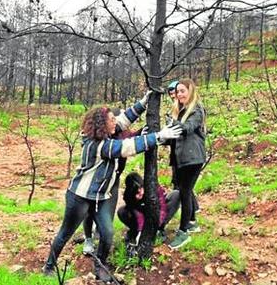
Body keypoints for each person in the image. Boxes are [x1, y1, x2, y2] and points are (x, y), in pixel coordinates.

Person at [43, 92, 182, 282]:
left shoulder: (107, 134)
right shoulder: (99, 145)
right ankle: (49, 266)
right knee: (65, 233)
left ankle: (99, 266)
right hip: (80, 196)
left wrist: (143, 102)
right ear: (102, 125)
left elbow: (124, 120)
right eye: (111, 119)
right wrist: (158, 136)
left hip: (101, 197)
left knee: (107, 234)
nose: (115, 121)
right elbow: (126, 147)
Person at [82, 117, 143, 256]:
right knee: (90, 211)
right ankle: (88, 239)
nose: (115, 124)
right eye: (112, 121)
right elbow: (124, 146)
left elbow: (133, 138)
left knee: (108, 210)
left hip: (113, 181)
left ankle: (102, 237)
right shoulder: (100, 138)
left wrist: (144, 131)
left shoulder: (122, 134)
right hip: (96, 182)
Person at [168, 79, 206, 250]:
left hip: (193, 158)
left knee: (184, 192)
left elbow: (187, 128)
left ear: (190, 91)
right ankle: (191, 223)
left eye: (183, 91)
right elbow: (176, 136)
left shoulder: (196, 109)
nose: (179, 94)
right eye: (178, 92)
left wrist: (172, 124)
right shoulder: (181, 110)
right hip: (181, 159)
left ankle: (183, 232)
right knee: (186, 191)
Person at [117, 172, 180, 256]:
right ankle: (134, 232)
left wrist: (157, 224)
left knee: (175, 195)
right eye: (137, 193)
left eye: (141, 190)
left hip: (157, 214)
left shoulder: (153, 187)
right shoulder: (129, 196)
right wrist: (140, 231)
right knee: (122, 211)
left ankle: (159, 230)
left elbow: (162, 207)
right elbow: (137, 214)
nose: (141, 194)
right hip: (142, 217)